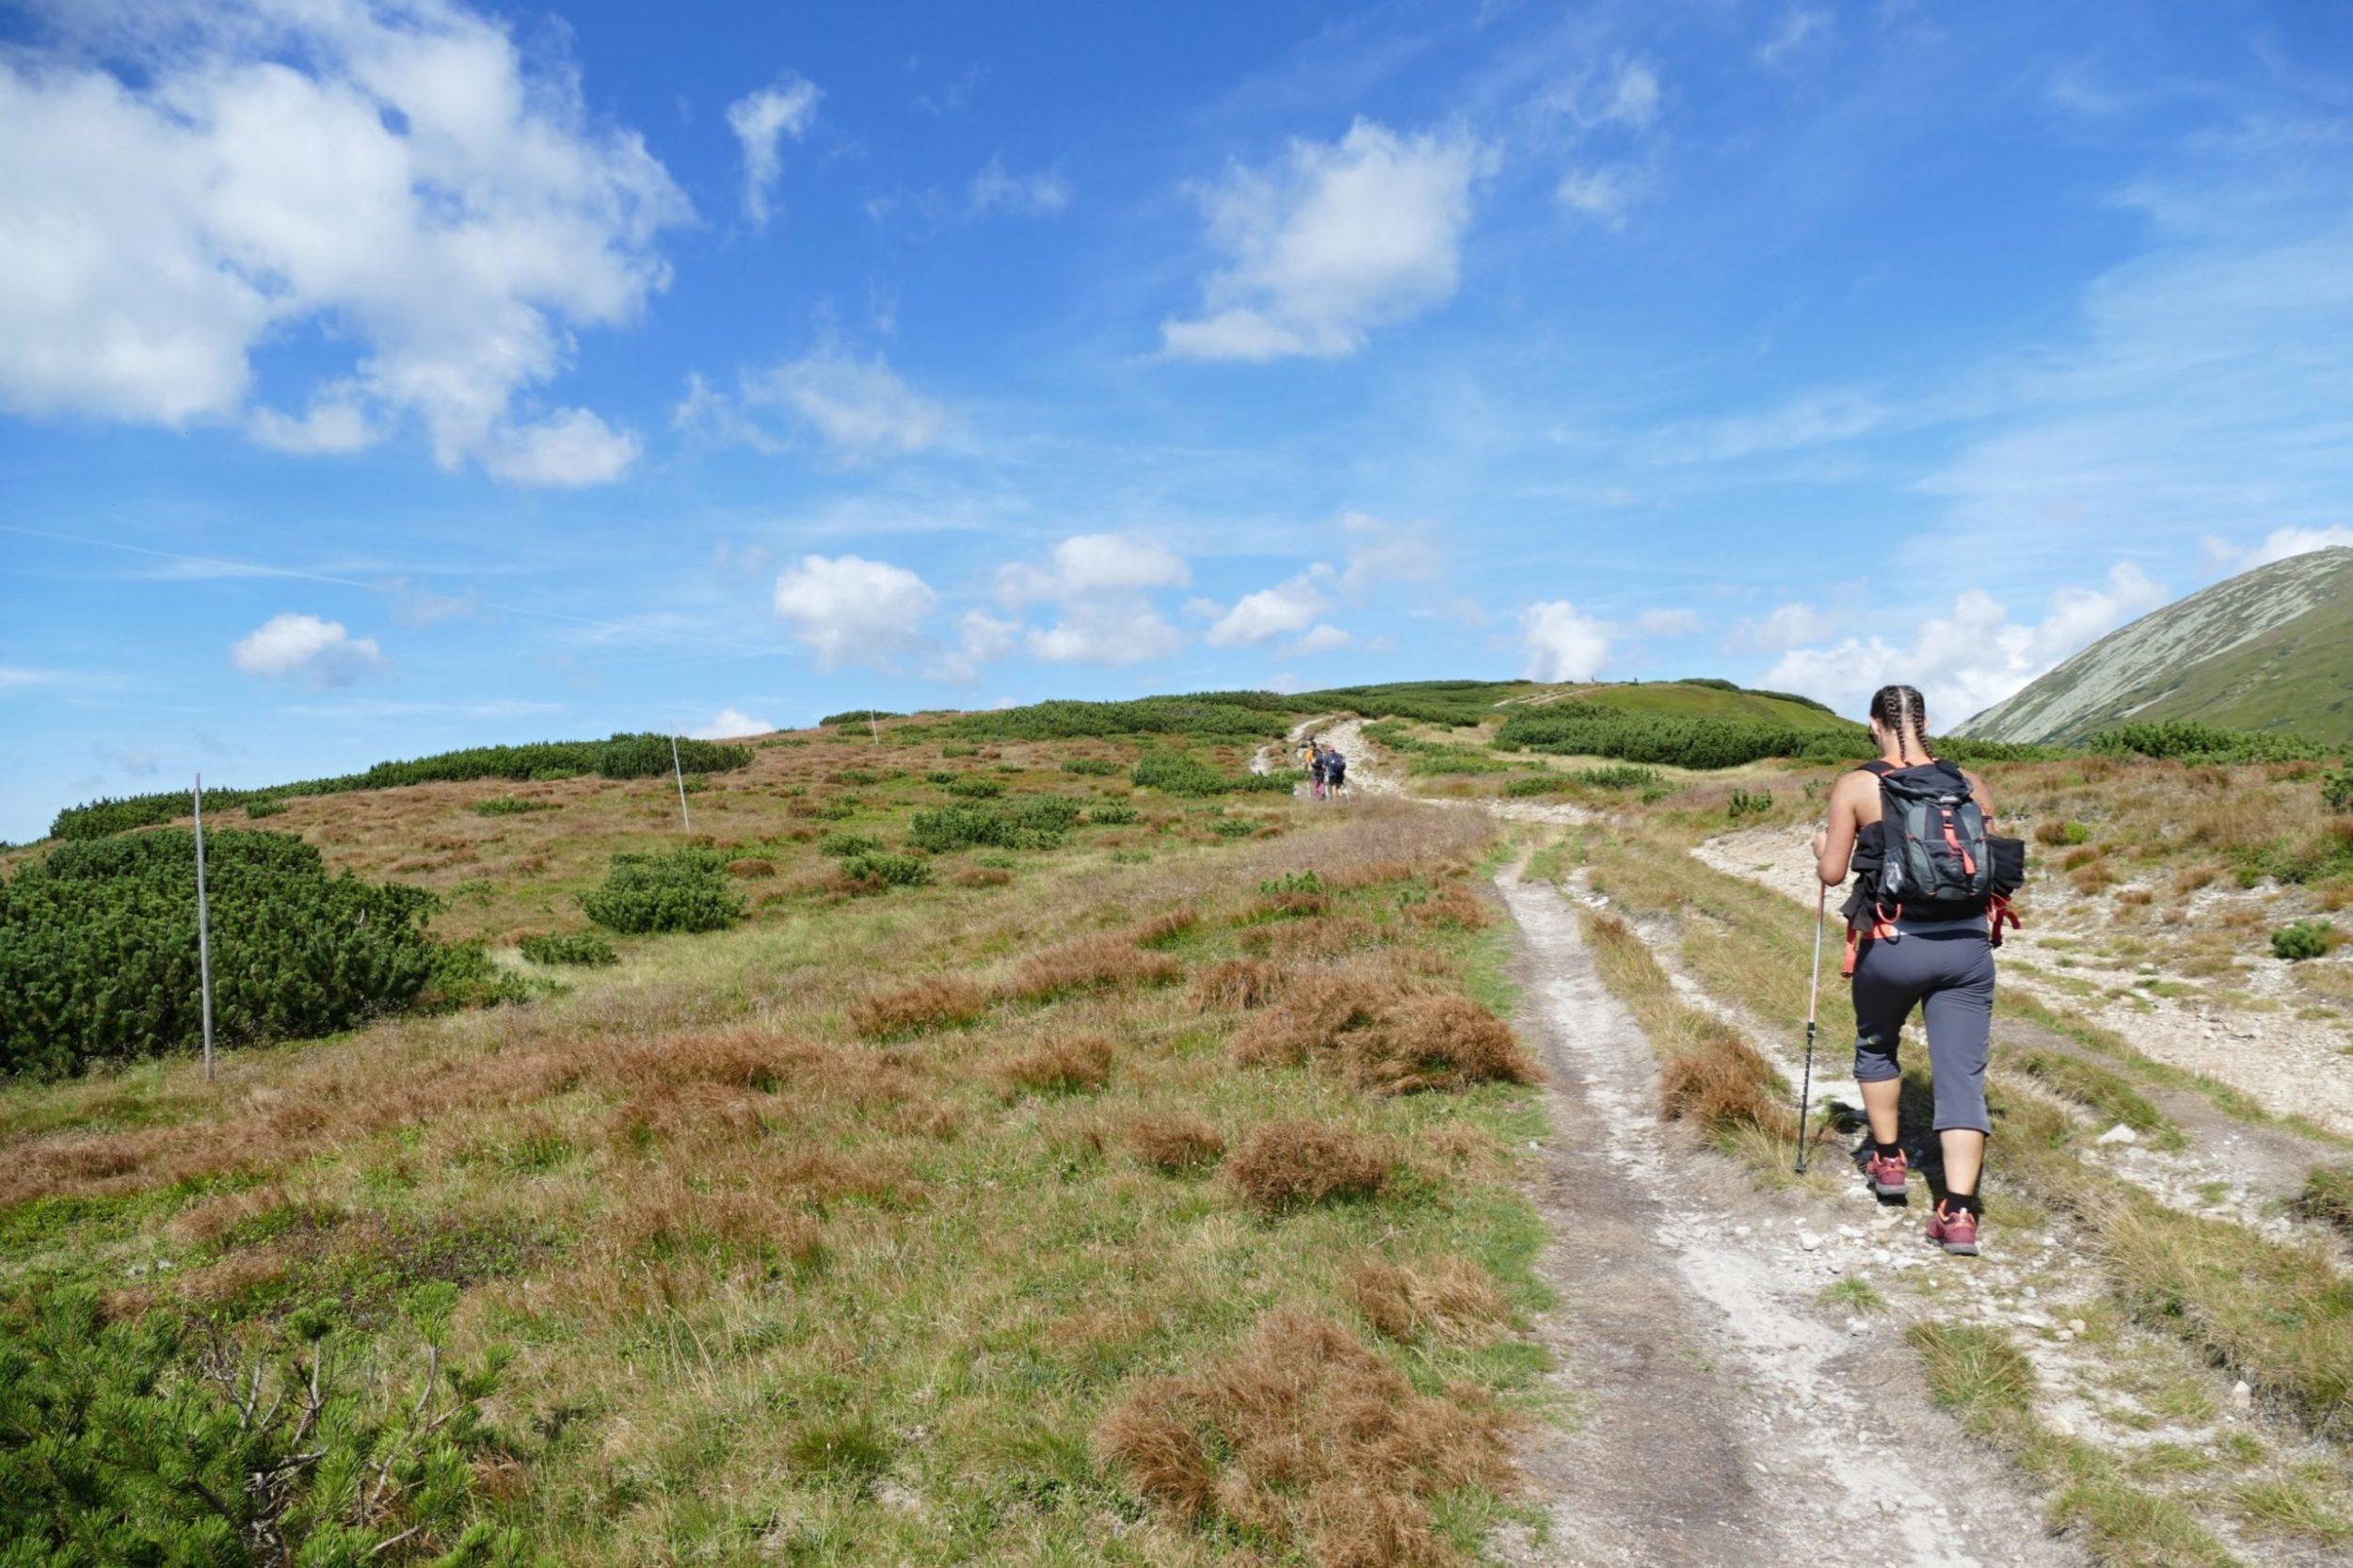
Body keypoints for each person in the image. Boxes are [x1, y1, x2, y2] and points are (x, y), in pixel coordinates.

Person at [1811, 683, 2002, 1256]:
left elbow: (1831, 874)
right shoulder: (1968, 783)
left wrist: (1821, 843)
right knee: (1961, 1078)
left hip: (1894, 944)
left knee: (1877, 1044)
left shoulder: (1858, 784)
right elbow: (1988, 857)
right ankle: (1959, 1212)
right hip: (1968, 949)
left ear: (1874, 724)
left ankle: (1889, 1161)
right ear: (1925, 719)